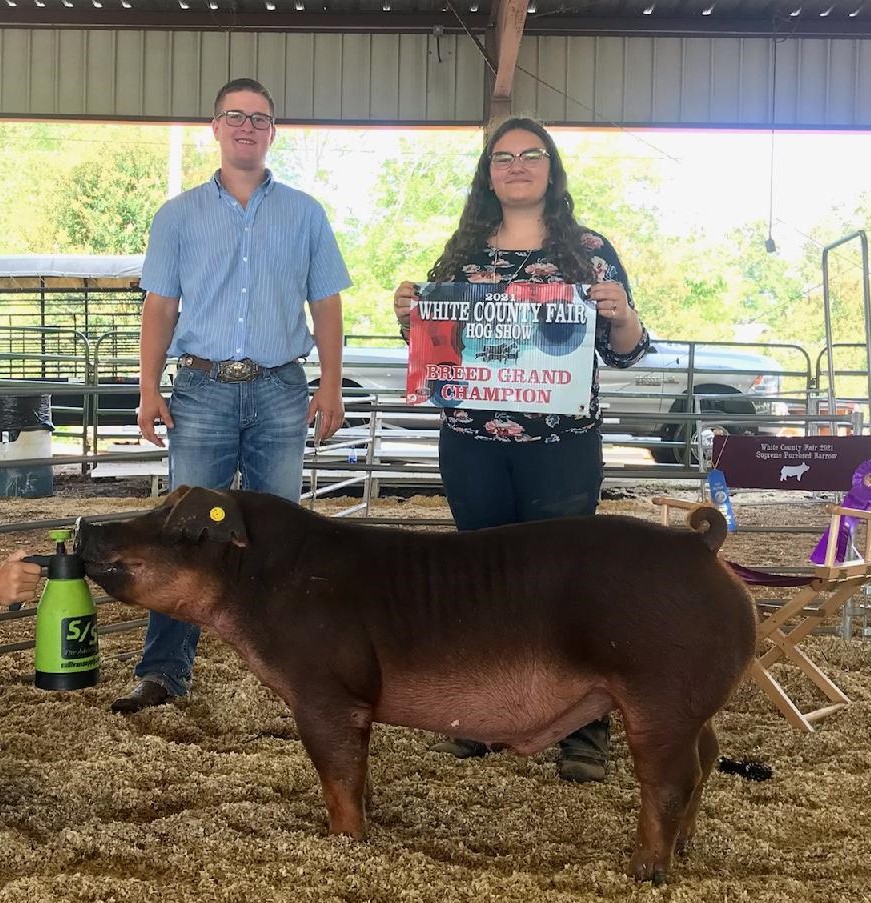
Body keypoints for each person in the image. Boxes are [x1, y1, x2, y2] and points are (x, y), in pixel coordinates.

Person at [392, 117, 650, 783]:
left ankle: (583, 729)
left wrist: (622, 314)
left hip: (561, 448)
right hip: (472, 445)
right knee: (480, 583)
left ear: (551, 168)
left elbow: (627, 353)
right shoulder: (462, 253)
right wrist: (410, 320)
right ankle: (482, 717)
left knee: (567, 585)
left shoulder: (589, 251)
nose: (516, 166)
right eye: (503, 157)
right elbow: (437, 350)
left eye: (530, 155)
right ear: (488, 175)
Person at [112, 77, 351, 715]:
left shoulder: (305, 213)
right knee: (182, 531)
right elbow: (160, 307)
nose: (247, 127)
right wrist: (148, 388)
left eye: (259, 118)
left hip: (280, 387)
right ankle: (164, 671)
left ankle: (291, 671)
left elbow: (326, 303)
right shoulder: (178, 215)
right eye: (235, 116)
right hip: (201, 388)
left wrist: (330, 382)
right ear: (215, 127)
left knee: (280, 537)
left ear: (273, 132)